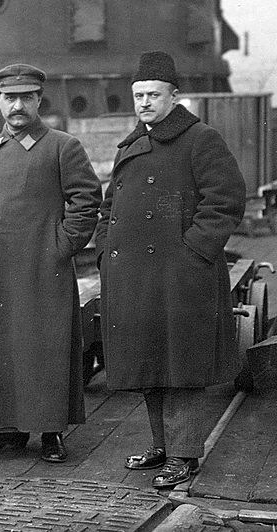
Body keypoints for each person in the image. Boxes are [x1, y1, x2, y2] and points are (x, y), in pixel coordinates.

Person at [95, 51, 246, 489]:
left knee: (180, 366)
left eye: (153, 95)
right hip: (134, 277)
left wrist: (191, 253)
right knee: (148, 363)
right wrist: (105, 251)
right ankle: (162, 446)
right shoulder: (131, 142)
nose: (144, 102)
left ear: (174, 96)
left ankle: (184, 455)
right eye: (138, 95)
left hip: (179, 277)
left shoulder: (201, 139)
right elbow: (110, 207)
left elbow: (225, 202)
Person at [0, 64, 102, 462]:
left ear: (38, 100)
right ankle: (6, 428)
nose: (17, 106)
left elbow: (86, 200)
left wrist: (61, 245)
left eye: (26, 98)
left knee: (44, 346)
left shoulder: (61, 146)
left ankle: (51, 431)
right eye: (9, 98)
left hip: (41, 265)